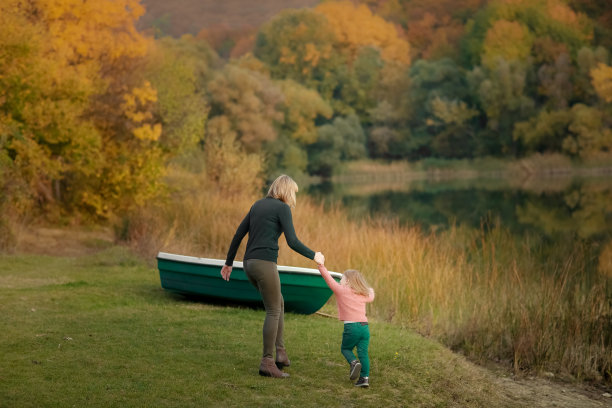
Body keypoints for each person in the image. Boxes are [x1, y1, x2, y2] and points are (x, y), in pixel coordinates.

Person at [220, 175, 324, 378]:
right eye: (293, 192)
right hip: (264, 264)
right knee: (273, 310)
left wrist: (229, 262)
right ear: (286, 191)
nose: (294, 196)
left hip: (249, 264)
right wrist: (314, 255)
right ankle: (267, 362)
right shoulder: (282, 208)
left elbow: (238, 234)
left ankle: (281, 354)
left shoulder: (257, 205)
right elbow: (292, 241)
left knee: (279, 303)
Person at [316, 256, 375, 388]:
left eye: (341, 278)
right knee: (363, 353)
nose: (339, 280)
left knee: (346, 348)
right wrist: (368, 288)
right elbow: (371, 294)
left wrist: (321, 266)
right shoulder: (363, 293)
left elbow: (328, 279)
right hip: (364, 327)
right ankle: (364, 378)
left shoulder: (341, 291)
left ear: (347, 282)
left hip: (352, 327)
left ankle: (354, 363)